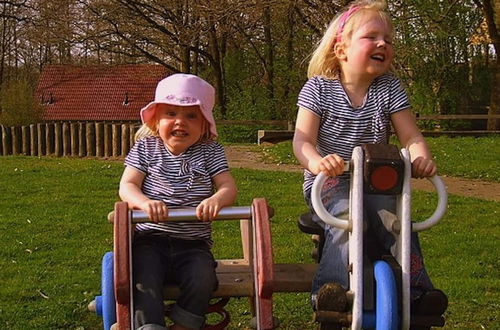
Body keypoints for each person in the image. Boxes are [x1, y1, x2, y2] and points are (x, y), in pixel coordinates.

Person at [292, 0, 447, 320]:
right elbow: (302, 141)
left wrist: (420, 158)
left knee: (398, 222)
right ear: (341, 49)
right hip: (331, 180)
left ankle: (418, 294)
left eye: (388, 40)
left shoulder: (389, 88)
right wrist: (317, 162)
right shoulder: (318, 89)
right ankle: (329, 292)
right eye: (371, 37)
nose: (383, 44)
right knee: (347, 215)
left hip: (378, 180)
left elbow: (411, 136)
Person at [119, 73, 238, 330]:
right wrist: (143, 202)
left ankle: (185, 322)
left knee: (203, 277)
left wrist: (217, 199)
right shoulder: (145, 149)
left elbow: (228, 186)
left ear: (205, 124)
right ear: (155, 120)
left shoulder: (210, 150)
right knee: (143, 278)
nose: (180, 122)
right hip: (151, 239)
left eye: (191, 116)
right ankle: (149, 325)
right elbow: (127, 186)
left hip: (193, 243)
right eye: (171, 113)